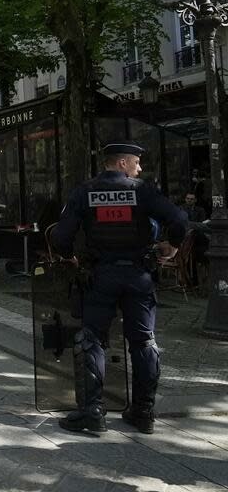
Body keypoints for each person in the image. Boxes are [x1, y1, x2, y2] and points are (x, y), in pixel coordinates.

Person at [52, 143, 187, 435]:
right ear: (123, 163)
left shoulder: (85, 191)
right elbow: (178, 219)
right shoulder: (142, 191)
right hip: (139, 275)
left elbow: (61, 235)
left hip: (100, 276)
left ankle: (92, 412)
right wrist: (172, 246)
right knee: (143, 342)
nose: (139, 168)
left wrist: (69, 257)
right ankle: (143, 411)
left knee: (92, 340)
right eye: (136, 163)